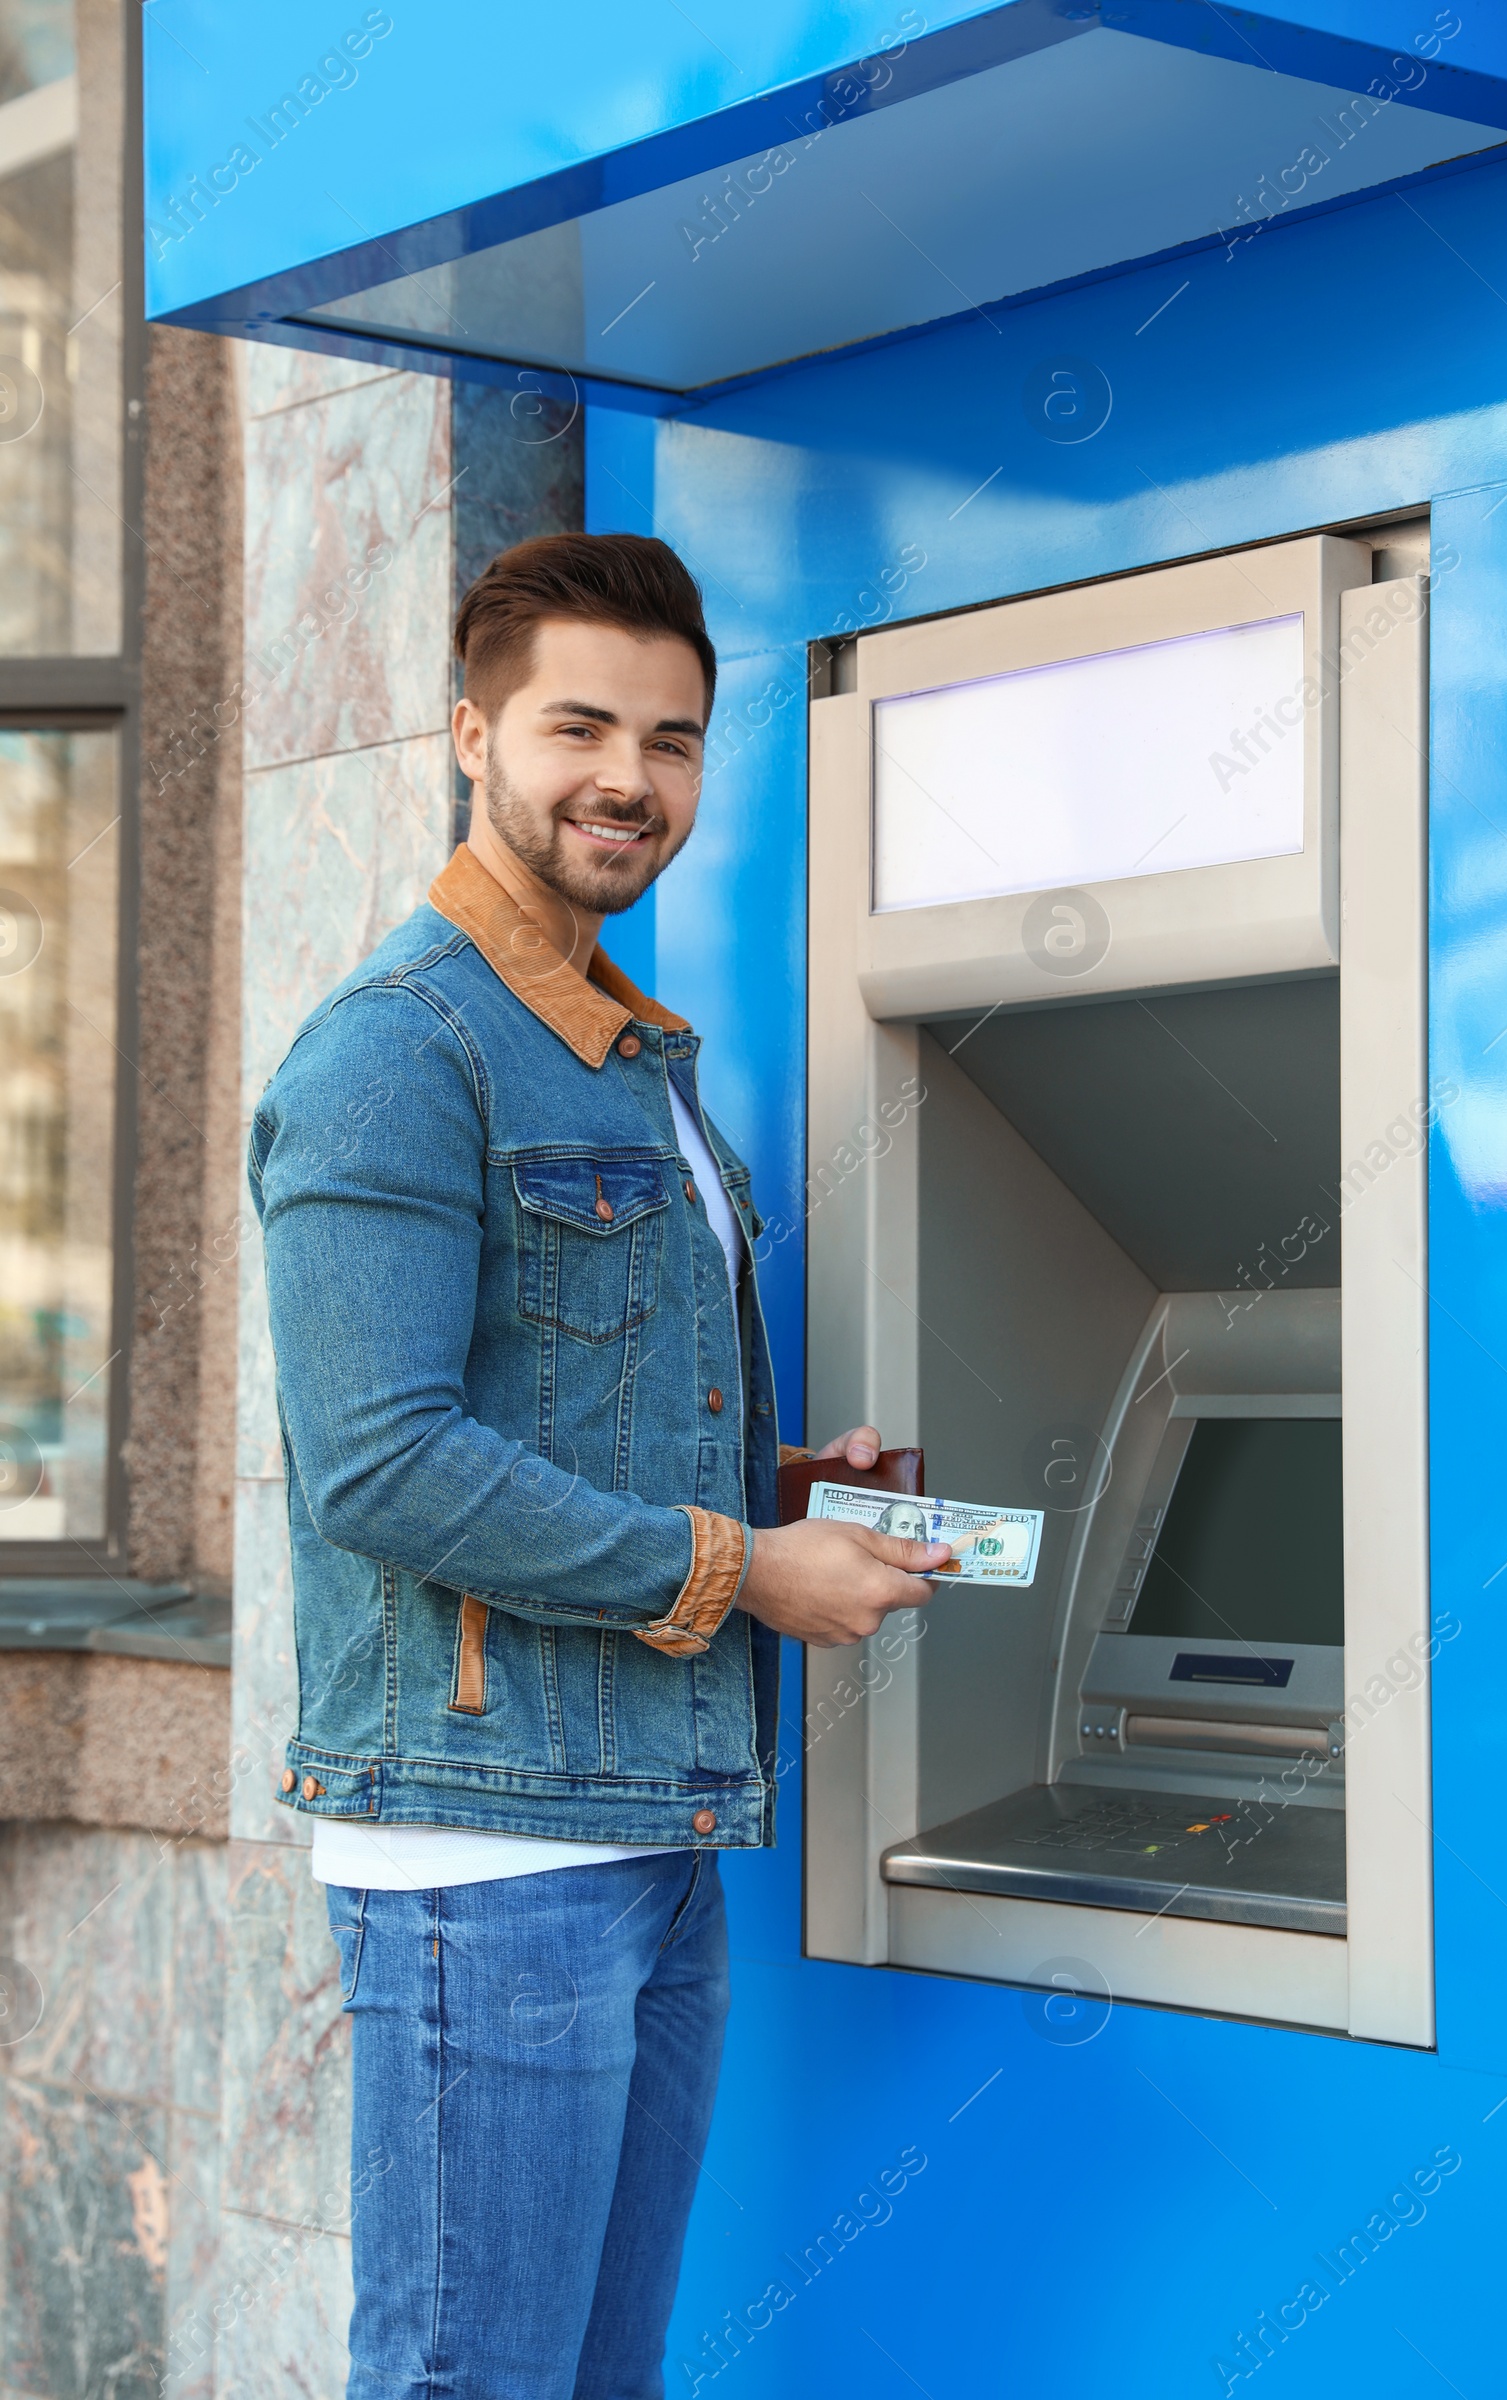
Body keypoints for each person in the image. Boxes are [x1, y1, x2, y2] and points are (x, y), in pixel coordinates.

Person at [250, 532, 951, 2400]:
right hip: (483, 1845)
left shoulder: (632, 1058)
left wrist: (785, 1488)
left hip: (649, 1827)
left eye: (673, 739)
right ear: (471, 735)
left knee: (598, 2380)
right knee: (470, 2378)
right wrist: (741, 1573)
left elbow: (565, 1404)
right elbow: (381, 1466)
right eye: (579, 726)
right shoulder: (398, 1055)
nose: (627, 780)